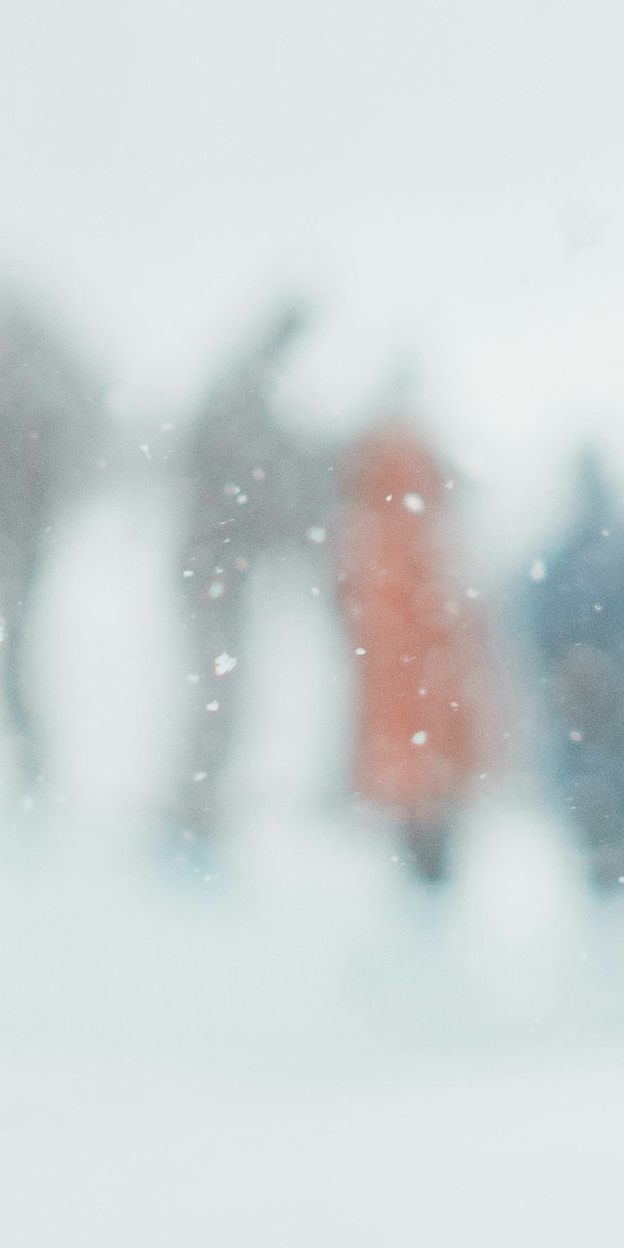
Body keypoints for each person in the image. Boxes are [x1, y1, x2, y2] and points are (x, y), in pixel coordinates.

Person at [0, 284, 109, 810]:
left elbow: (5, 469)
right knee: (9, 654)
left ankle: (23, 751)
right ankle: (18, 747)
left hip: (15, 552)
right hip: (6, 550)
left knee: (12, 654)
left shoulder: (22, 413)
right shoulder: (12, 411)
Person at [156, 301, 315, 856]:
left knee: (218, 693)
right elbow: (241, 485)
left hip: (217, 566)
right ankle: (192, 810)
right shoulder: (242, 395)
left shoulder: (241, 390)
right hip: (213, 568)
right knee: (219, 694)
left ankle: (197, 805)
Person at [511, 449, 624, 901]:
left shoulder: (571, 554)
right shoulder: (617, 550)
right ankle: (615, 856)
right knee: (609, 781)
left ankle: (615, 856)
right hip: (600, 697)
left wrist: (585, 665)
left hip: (604, 697)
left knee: (605, 780)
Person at [335, 409, 483, 893]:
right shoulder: (416, 541)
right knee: (428, 842)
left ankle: (423, 874)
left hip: (412, 731)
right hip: (425, 725)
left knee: (421, 839)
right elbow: (431, 638)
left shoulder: (371, 538)